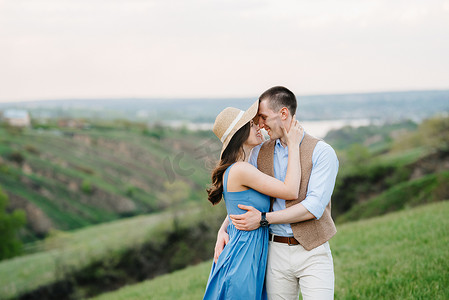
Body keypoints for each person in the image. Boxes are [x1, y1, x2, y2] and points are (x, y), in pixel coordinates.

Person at [214, 86, 339, 300]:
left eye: (263, 117)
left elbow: (313, 207)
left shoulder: (322, 152)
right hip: (274, 252)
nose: (260, 124)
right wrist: (223, 229)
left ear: (283, 113)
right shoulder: (258, 152)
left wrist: (263, 219)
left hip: (313, 252)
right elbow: (246, 199)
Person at [203, 100, 304, 299]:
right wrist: (293, 145)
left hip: (248, 248)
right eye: (251, 124)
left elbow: (238, 208)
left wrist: (222, 229)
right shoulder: (241, 170)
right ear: (239, 134)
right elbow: (291, 190)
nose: (258, 125)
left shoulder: (243, 166)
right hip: (244, 252)